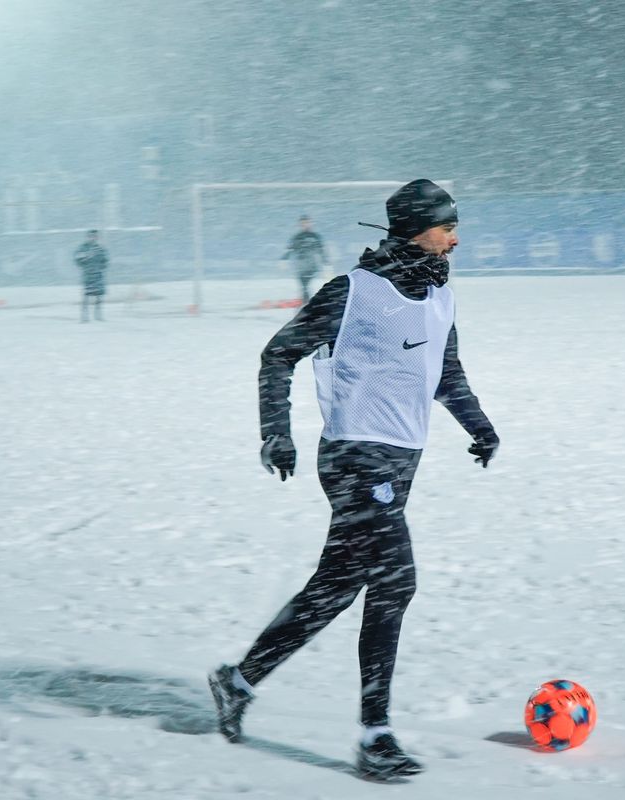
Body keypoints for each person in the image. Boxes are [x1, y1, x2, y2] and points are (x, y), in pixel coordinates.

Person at [208, 180, 499, 780]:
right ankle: (375, 733)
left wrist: (480, 427)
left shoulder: (442, 296)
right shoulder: (353, 291)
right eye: (448, 226)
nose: (456, 237)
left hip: (402, 461)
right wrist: (275, 432)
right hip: (353, 458)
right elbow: (277, 354)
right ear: (418, 228)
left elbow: (446, 372)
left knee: (337, 586)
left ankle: (237, 682)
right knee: (395, 580)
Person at [281, 215, 328, 304]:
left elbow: (321, 251)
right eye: (303, 223)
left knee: (306, 285)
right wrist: (284, 259)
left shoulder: (315, 237)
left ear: (311, 223)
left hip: (312, 265)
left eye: (307, 222)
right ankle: (306, 301)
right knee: (303, 285)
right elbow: (290, 249)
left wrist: (326, 263)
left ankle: (309, 302)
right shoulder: (297, 237)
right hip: (300, 266)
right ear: (300, 224)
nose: (305, 225)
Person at [74, 229, 109, 322]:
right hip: (88, 275)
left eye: (95, 236)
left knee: (99, 296)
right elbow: (78, 260)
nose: (93, 238)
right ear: (88, 237)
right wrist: (86, 263)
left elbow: (105, 261)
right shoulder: (83, 248)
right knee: (86, 296)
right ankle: (84, 316)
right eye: (91, 236)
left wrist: (100, 267)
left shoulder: (100, 248)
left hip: (98, 275)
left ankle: (98, 315)